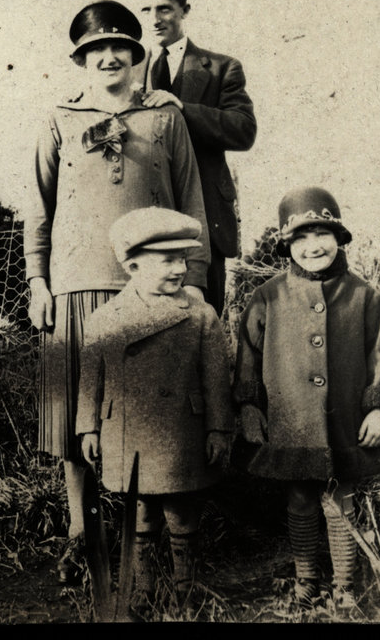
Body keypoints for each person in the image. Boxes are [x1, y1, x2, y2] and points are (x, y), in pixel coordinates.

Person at [23, 0, 212, 587]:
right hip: (76, 291)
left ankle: (146, 550)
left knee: (151, 420)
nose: (108, 57)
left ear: (136, 56)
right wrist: (37, 282)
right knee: (75, 424)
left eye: (120, 47)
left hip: (149, 297)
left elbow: (192, 203)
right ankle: (82, 538)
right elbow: (38, 207)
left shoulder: (164, 117)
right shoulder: (57, 118)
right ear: (81, 60)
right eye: (94, 50)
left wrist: (197, 286)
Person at [232, 186, 380, 610]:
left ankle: (345, 584)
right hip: (290, 420)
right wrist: (250, 407)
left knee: (340, 500)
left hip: (345, 419)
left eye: (322, 234)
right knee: (300, 498)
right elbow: (247, 358)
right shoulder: (267, 297)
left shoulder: (365, 297)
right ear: (286, 245)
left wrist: (379, 409)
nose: (313, 247)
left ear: (339, 237)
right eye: (300, 238)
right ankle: (306, 579)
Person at [76, 206, 234, 611]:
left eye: (183, 258)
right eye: (167, 260)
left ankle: (187, 589)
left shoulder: (201, 315)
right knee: (139, 510)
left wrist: (219, 429)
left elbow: (217, 380)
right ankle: (141, 589)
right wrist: (87, 429)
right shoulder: (106, 319)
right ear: (132, 266)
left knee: (182, 511)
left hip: (182, 429)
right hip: (127, 430)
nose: (180, 268)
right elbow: (90, 379)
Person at [133, 0, 257, 318]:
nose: (154, 18)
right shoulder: (126, 71)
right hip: (143, 222)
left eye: (164, 8)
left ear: (185, 10)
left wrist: (183, 108)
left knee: (204, 329)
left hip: (203, 225)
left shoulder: (221, 67)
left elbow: (243, 129)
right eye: (145, 9)